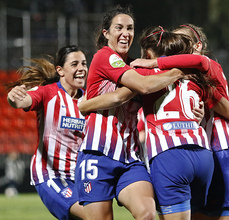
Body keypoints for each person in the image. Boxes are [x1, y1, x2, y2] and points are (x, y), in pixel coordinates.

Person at [74, 6, 194, 220]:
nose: (125, 33)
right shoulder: (105, 56)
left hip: (130, 159)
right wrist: (177, 71)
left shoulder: (135, 66)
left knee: (147, 214)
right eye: (118, 28)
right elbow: (142, 87)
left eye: (130, 28)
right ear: (106, 33)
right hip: (97, 155)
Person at [130, 24, 229, 220]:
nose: (178, 48)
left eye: (184, 43)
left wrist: (153, 63)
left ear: (198, 46)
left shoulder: (206, 65)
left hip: (225, 150)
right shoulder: (190, 78)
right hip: (203, 152)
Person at [7, 45, 87, 220]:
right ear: (60, 70)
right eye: (74, 64)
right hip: (51, 174)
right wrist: (13, 97)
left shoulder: (90, 100)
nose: (81, 68)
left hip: (79, 177)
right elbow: (23, 101)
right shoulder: (48, 93)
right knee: (93, 216)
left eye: (83, 63)